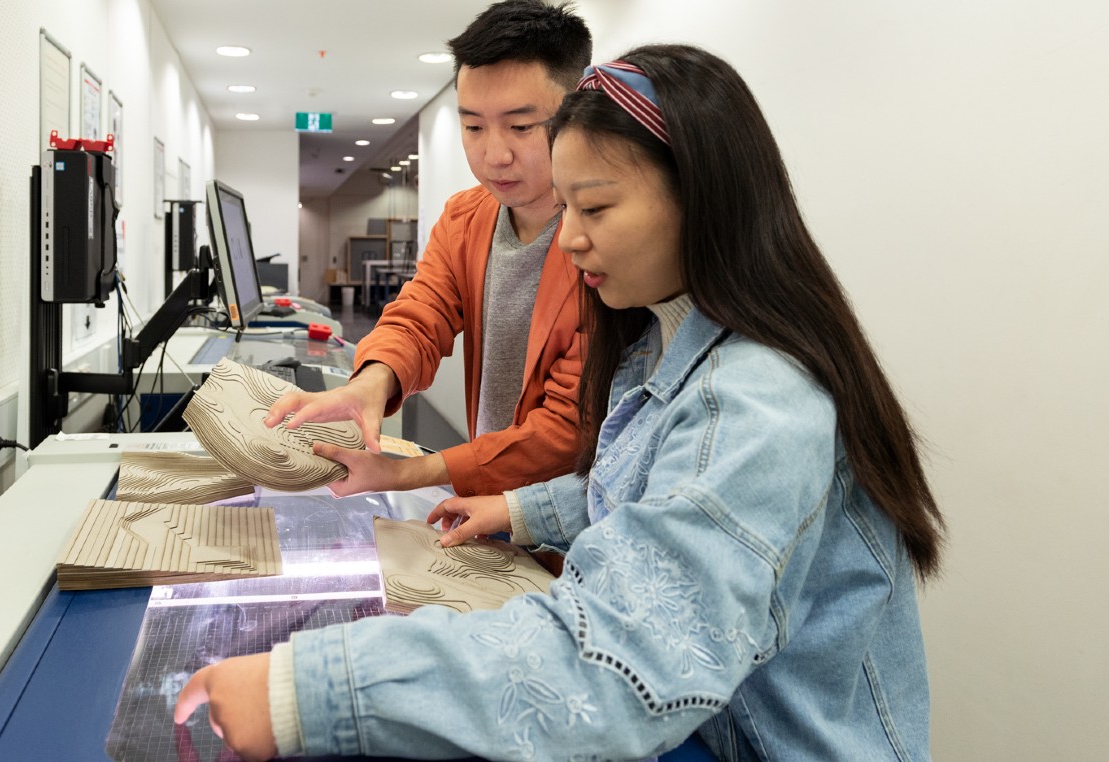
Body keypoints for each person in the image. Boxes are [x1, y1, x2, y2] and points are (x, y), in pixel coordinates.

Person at [175, 44, 946, 761]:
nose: (571, 239)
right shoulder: (656, 336)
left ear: (704, 200)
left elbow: (622, 664)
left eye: (595, 209)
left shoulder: (757, 402)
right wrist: (518, 509)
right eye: (475, 126)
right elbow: (650, 487)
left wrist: (309, 689)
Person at [262, 0, 592, 499]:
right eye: (473, 127)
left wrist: (407, 474)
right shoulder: (466, 218)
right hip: (487, 502)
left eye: (521, 127)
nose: (494, 155)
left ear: (576, 111)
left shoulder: (600, 239)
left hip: (575, 516)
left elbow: (567, 430)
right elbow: (420, 314)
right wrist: (372, 382)